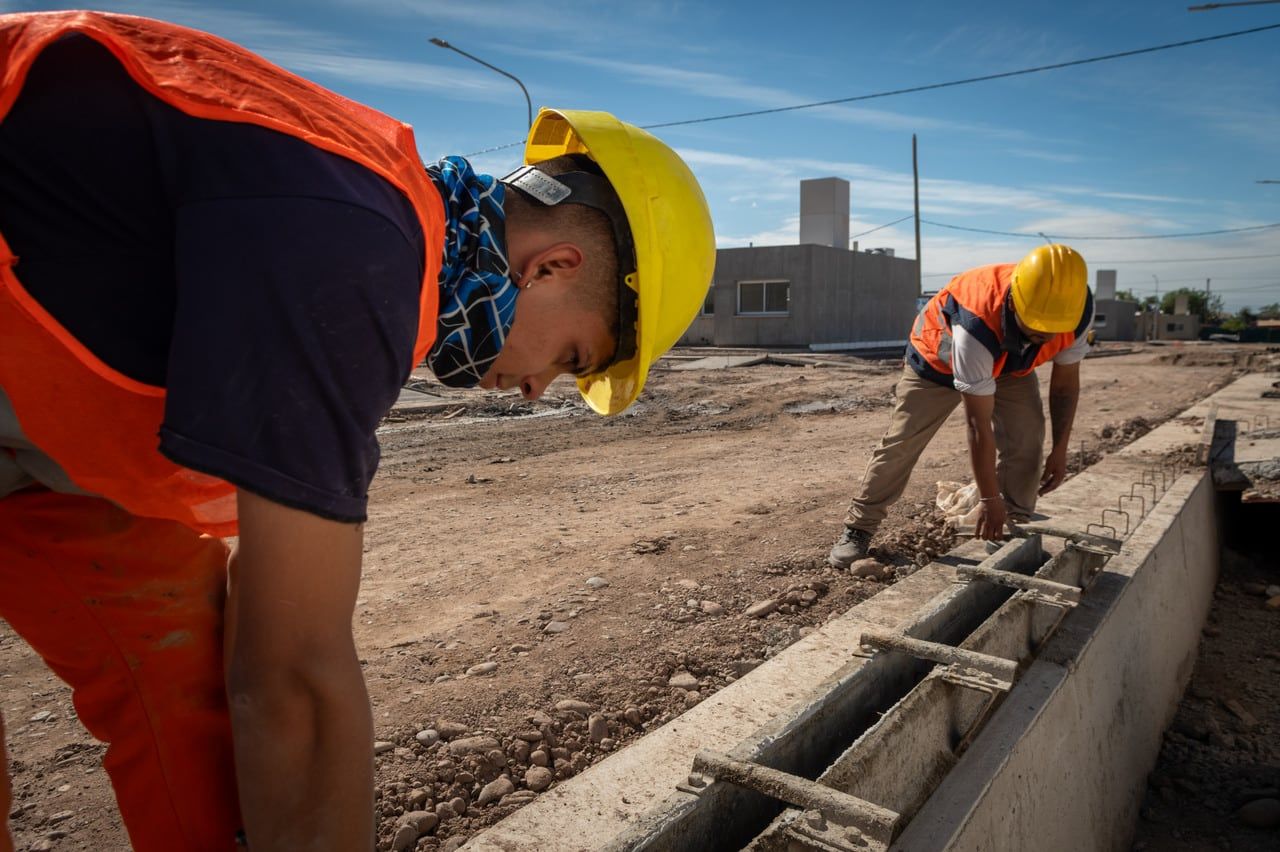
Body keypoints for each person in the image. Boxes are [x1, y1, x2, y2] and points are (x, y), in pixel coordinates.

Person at [0, 10, 715, 852]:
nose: (535, 390)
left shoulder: (377, 223)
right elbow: (293, 678)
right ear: (553, 266)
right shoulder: (357, 250)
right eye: (570, 356)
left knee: (179, 653)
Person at [827, 244, 1092, 568]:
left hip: (1010, 365)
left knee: (1027, 436)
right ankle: (859, 528)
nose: (1041, 336)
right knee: (902, 443)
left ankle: (1011, 523)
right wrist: (988, 498)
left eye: (1049, 332)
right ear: (1014, 300)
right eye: (1033, 327)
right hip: (935, 364)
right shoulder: (975, 324)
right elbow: (978, 427)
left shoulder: (1073, 309)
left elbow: (1065, 386)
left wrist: (1061, 449)